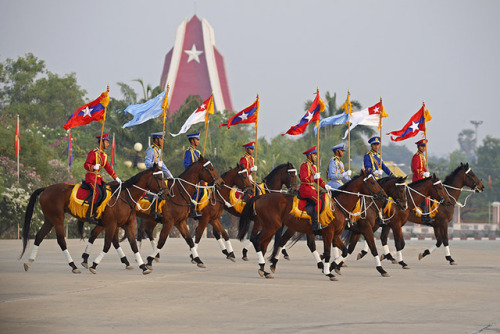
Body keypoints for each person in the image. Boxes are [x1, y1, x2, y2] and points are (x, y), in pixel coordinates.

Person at [83, 133, 121, 222]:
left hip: (98, 178)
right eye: (106, 142)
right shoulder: (93, 153)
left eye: (108, 142)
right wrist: (93, 167)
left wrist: (116, 178)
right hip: (91, 177)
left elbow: (108, 167)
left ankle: (98, 213)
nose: (108, 144)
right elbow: (86, 165)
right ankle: (89, 214)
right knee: (98, 193)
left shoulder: (104, 155)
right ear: (101, 142)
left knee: (105, 192)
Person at [298, 146, 332, 233]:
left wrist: (325, 186)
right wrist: (313, 177)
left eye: (316, 155)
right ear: (309, 155)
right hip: (305, 188)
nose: (316, 157)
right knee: (318, 201)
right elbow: (303, 178)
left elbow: (318, 180)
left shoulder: (314, 167)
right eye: (314, 155)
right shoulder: (304, 165)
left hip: (311, 188)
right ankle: (315, 224)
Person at [144, 132, 174, 221]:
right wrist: (155, 165)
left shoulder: (159, 151)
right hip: (151, 175)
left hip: (158, 176)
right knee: (159, 189)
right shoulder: (151, 150)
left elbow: (163, 165)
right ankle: (154, 210)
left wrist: (170, 175)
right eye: (161, 139)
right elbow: (147, 162)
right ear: (156, 139)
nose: (162, 141)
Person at [327, 143, 353, 228]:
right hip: (333, 184)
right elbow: (332, 176)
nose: (343, 152)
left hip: (339, 183)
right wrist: (344, 174)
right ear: (337, 151)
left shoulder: (340, 163)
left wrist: (351, 182)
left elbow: (345, 177)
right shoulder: (333, 162)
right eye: (342, 151)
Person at [411, 139, 432, 224]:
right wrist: (423, 173)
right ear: (418, 147)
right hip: (417, 180)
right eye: (422, 146)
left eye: (424, 146)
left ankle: (427, 213)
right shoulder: (416, 156)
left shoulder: (423, 156)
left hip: (423, 180)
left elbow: (423, 168)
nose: (423, 148)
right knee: (423, 195)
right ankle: (424, 214)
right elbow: (415, 169)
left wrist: (428, 174)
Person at [183, 132, 202, 218]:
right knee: (196, 191)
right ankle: (192, 209)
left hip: (198, 178)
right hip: (191, 178)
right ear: (192, 141)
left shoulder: (198, 152)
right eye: (197, 139)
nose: (198, 141)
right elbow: (186, 164)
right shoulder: (188, 152)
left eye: (198, 139)